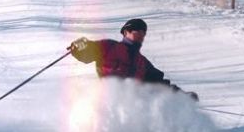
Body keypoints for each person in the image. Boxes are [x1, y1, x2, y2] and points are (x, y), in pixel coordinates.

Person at [69, 18, 198, 101]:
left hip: (133, 103)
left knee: (155, 100)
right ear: (125, 32)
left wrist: (182, 97)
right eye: (137, 31)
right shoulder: (110, 47)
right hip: (108, 99)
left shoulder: (142, 61)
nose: (141, 35)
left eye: (144, 32)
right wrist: (79, 47)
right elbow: (88, 52)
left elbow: (159, 83)